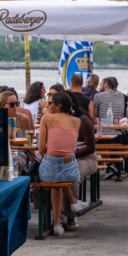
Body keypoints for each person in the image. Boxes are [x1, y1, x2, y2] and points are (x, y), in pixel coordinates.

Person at [38, 92, 90, 236]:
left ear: (59, 105)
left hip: (50, 170)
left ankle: (56, 223)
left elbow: (41, 148)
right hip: (70, 172)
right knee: (58, 182)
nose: (48, 106)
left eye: (50, 103)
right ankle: (72, 203)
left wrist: (47, 159)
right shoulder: (77, 121)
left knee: (55, 179)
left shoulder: (47, 118)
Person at [60, 90, 98, 231]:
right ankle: (54, 214)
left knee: (73, 176)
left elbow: (91, 147)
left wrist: (71, 156)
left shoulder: (83, 120)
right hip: (64, 157)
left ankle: (70, 217)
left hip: (86, 157)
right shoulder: (55, 120)